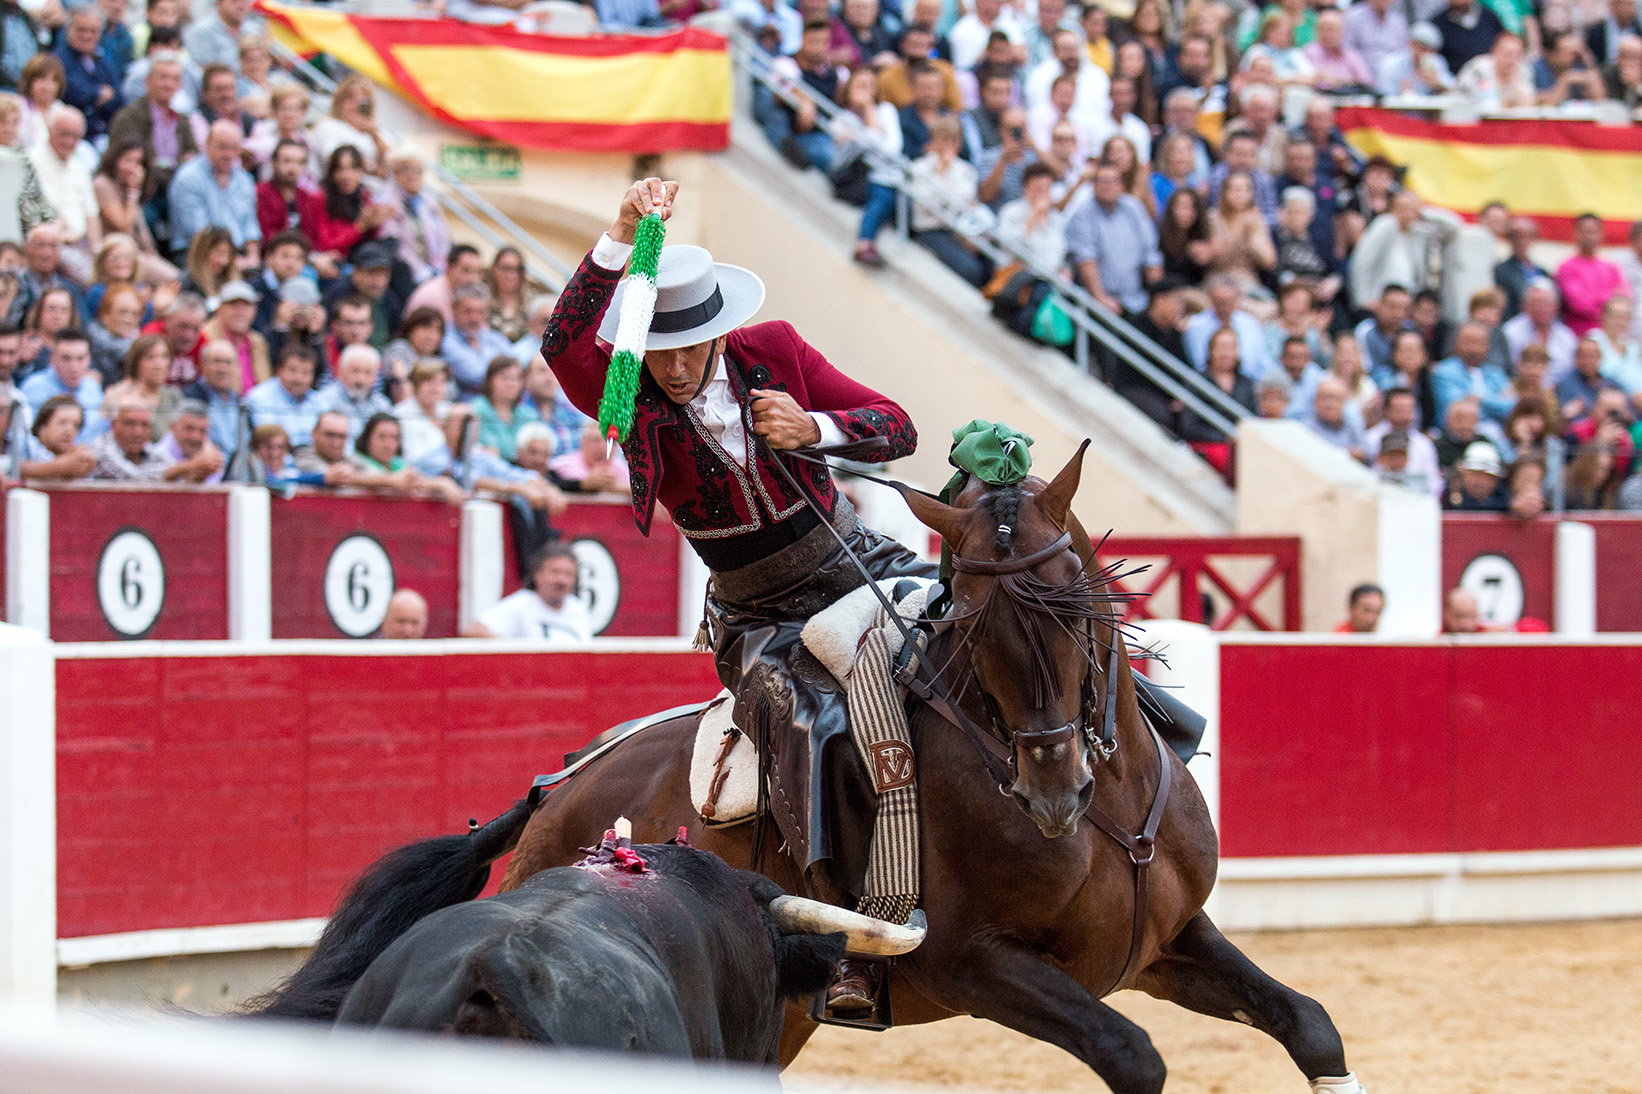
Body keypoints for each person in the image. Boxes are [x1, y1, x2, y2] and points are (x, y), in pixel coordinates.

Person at [1066, 161, 1160, 314]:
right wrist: (1101, 299)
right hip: (1099, 302)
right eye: (1102, 181)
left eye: (1113, 181)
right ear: (1094, 185)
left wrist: (1158, 297)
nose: (1107, 186)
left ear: (1122, 185)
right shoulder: (1083, 214)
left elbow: (1151, 256)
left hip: (1136, 299)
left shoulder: (1133, 208)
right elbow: (1086, 260)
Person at [905, 115, 987, 288]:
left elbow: (966, 203)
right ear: (934, 140)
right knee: (970, 269)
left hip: (958, 230)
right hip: (930, 229)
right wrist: (942, 172)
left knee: (988, 265)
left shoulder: (966, 171)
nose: (948, 145)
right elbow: (927, 203)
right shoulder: (920, 166)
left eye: (953, 140)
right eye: (943, 139)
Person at [167, 119, 260, 265]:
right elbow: (198, 231)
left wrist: (253, 258)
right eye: (222, 147)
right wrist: (228, 262)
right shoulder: (188, 177)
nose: (228, 154)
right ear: (207, 144)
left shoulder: (244, 179)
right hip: (197, 255)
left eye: (234, 148)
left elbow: (250, 225)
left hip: (238, 255)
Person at [463, 543, 593, 642]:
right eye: (555, 572)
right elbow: (473, 630)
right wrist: (516, 654)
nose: (561, 580)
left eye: (568, 574)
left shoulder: (578, 608)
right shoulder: (522, 603)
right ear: (538, 575)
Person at [377, 150, 451, 288]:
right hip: (405, 273)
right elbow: (395, 245)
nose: (412, 176)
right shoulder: (387, 202)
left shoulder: (430, 201)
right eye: (405, 170)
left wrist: (440, 268)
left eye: (418, 171)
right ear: (394, 174)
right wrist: (421, 270)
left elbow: (444, 237)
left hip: (436, 269)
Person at [1555, 213, 1631, 337]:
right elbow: (1579, 305)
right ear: (1576, 233)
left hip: (1610, 338)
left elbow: (1624, 299)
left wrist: (1597, 300)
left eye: (1593, 231)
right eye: (1585, 231)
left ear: (1601, 233)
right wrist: (1608, 299)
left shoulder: (1611, 267)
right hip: (1579, 338)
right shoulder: (1567, 267)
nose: (1589, 236)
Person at [20, 327, 101, 439]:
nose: (74, 367)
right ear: (53, 358)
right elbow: (28, 437)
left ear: (89, 359)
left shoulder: (93, 388)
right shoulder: (35, 387)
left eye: (80, 358)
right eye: (66, 358)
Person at [1184, 276, 1272, 378]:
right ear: (1211, 300)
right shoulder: (1196, 325)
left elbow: (1262, 361)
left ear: (1236, 301)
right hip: (1209, 383)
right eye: (1219, 302)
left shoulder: (1250, 323)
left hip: (1249, 384)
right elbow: (1199, 363)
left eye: (1228, 301)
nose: (1224, 307)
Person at [442, 283, 515, 397]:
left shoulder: (493, 338)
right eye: (468, 311)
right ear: (454, 309)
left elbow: (515, 367)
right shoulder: (446, 339)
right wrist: (506, 376)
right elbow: (474, 375)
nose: (474, 318)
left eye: (480, 312)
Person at [309, 72, 389, 176]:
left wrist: (373, 134)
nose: (357, 104)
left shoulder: (377, 132)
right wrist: (373, 170)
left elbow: (395, 164)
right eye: (351, 98)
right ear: (339, 103)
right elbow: (333, 160)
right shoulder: (328, 125)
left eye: (363, 100)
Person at [310, 341, 391, 443]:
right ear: (340, 371)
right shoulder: (323, 401)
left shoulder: (382, 405)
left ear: (375, 377)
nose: (360, 379)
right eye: (355, 371)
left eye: (367, 372)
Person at [244, 341, 320, 447]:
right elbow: (268, 440)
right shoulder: (260, 397)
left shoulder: (319, 401)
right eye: (292, 371)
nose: (298, 378)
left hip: (312, 458)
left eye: (305, 373)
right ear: (279, 370)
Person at [1502, 280, 1577, 382]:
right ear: (1524, 305)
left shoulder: (1566, 336)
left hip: (1560, 392)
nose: (1540, 308)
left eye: (1546, 303)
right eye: (1535, 303)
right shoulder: (1510, 332)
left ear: (1555, 306)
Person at [473, 353, 541, 463]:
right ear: (490, 380)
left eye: (517, 379)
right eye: (505, 378)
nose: (511, 384)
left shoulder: (528, 414)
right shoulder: (476, 410)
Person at [182, 337, 243, 454]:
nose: (222, 369)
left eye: (228, 363)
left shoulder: (240, 401)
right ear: (203, 365)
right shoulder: (190, 397)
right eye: (217, 361)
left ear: (237, 368)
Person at [16, 395, 96, 481]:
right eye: (62, 423)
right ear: (42, 426)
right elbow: (12, 468)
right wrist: (63, 466)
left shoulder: (77, 459)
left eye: (75, 425)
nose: (69, 431)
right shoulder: (26, 445)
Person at [1456, 30, 1536, 109]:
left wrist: (1514, 81)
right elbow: (1486, 107)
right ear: (1495, 51)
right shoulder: (1479, 69)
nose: (1512, 60)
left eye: (1517, 56)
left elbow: (1530, 107)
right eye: (1508, 54)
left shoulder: (1522, 71)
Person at [153, 396, 225, 482]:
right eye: (189, 428)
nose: (196, 437)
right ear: (173, 427)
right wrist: (193, 465)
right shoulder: (157, 454)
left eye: (202, 431)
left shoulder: (210, 453)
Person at [1443, 440, 1510, 510]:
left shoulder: (1504, 499)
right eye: (1474, 474)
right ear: (1463, 474)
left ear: (1496, 479)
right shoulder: (1446, 497)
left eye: (1487, 476)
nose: (1480, 481)